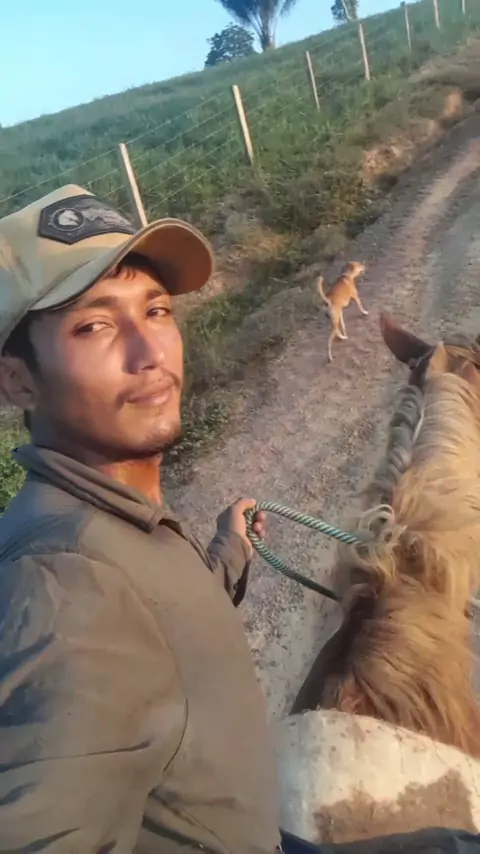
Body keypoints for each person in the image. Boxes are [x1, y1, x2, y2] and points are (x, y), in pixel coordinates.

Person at [0, 185, 280, 853]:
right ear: (18, 383)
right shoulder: (66, 584)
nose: (148, 349)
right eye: (93, 326)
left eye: (156, 310)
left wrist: (229, 549)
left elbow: (156, 626)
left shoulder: (108, 514)